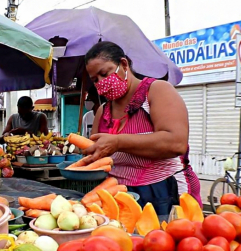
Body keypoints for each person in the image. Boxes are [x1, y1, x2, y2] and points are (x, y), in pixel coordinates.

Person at [82, 41, 200, 215]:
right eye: (95, 80)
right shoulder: (103, 111)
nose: (101, 83)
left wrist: (117, 142)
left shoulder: (157, 91)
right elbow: (97, 158)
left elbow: (176, 143)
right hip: (119, 195)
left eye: (104, 73)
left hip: (165, 191)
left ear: (124, 64)